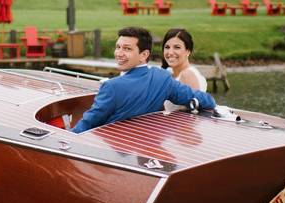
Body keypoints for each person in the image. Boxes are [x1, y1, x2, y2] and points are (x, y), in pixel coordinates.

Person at [70, 27, 216, 133]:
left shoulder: (111, 87)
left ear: (144, 54)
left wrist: (67, 136)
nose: (119, 53)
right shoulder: (162, 77)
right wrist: (206, 104)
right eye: (118, 47)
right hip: (147, 142)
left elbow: (88, 123)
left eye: (127, 49)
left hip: (115, 149)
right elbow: (204, 99)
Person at [160, 28, 207, 112]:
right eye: (167, 47)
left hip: (182, 124)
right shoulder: (169, 73)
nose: (170, 52)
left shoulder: (187, 75)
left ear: (188, 51)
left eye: (177, 47)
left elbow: (193, 112)